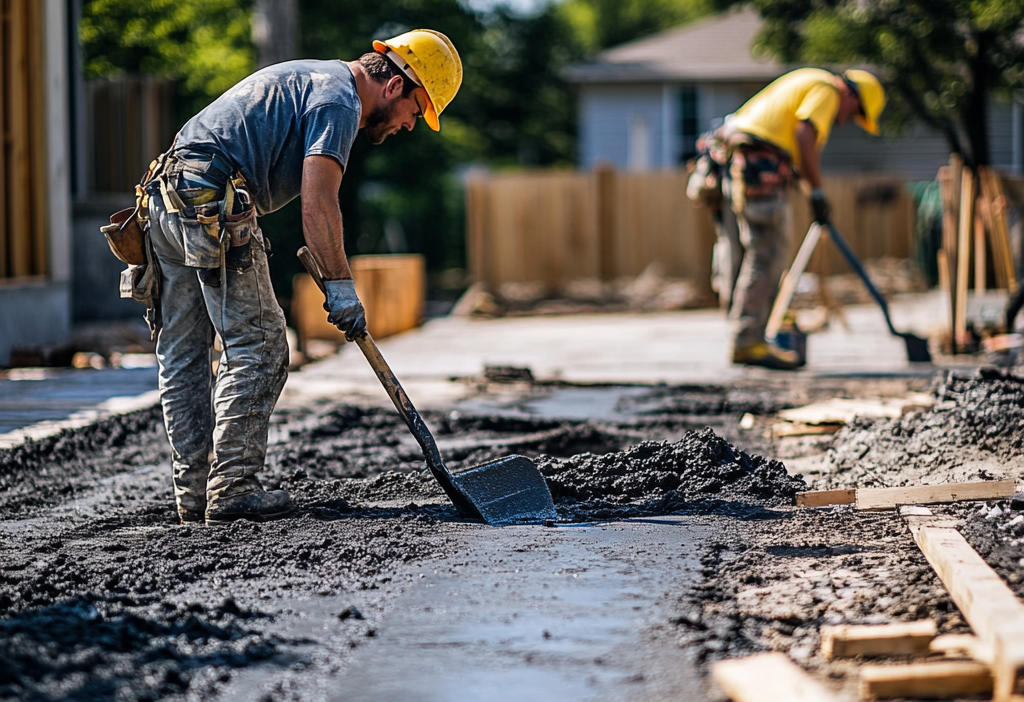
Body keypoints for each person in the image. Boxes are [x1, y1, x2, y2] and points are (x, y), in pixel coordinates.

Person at [132, 30, 462, 525]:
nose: (410, 126)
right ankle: (234, 487)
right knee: (261, 345)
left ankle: (196, 493)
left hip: (164, 196)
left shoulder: (317, 79)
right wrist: (341, 287)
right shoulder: (339, 100)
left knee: (183, 353)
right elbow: (319, 199)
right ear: (395, 85)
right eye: (416, 111)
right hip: (208, 201)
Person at [708, 68, 884, 370]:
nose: (845, 121)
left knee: (758, 253)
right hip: (758, 165)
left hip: (740, 161)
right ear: (851, 96)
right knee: (767, 254)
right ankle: (748, 340)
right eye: (855, 114)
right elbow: (804, 137)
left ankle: (752, 334)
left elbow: (796, 147)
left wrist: (810, 189)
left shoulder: (808, 81)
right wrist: (816, 193)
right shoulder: (827, 90)